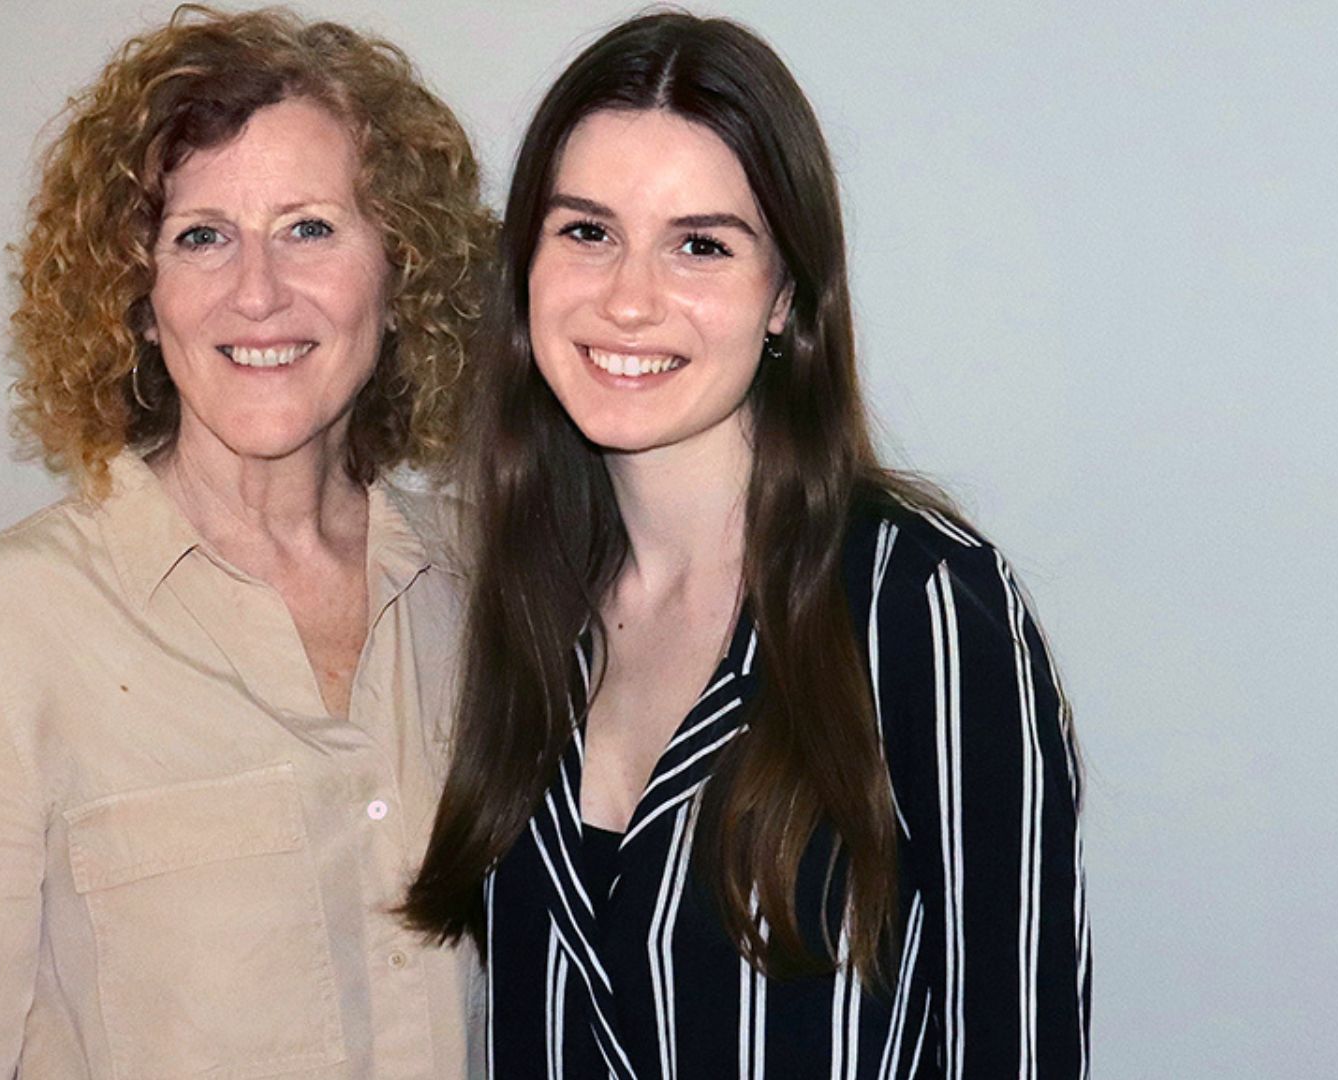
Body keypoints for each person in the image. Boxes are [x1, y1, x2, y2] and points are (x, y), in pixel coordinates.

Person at [402, 11, 1089, 1077]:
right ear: (524, 269)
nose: (629, 299)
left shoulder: (922, 603)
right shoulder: (513, 600)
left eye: (701, 245)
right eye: (587, 231)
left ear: (785, 298)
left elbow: (1016, 1042)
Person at [0, 8, 493, 1077]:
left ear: (401, 270)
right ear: (138, 299)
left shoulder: (492, 592)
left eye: (311, 227)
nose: (257, 290)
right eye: (201, 236)